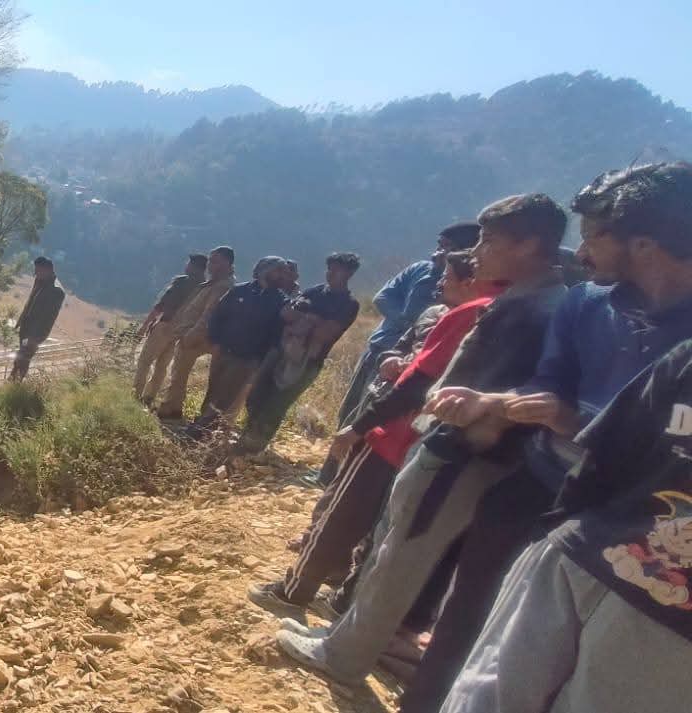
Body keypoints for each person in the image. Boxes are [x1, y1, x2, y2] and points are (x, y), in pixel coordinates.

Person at [399, 162, 692, 713]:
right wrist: (499, 403)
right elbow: (549, 380)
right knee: (473, 619)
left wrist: (569, 421)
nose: (582, 252)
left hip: (635, 535)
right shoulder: (586, 304)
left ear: (644, 243)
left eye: (594, 236)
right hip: (539, 488)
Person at [275, 193, 570, 686]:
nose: (476, 252)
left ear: (527, 245)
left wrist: (459, 417)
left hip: (458, 454)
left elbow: (472, 390)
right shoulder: (538, 301)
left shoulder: (530, 310)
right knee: (394, 551)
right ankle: (352, 639)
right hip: (466, 453)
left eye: (489, 241)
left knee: (399, 555)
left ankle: (343, 656)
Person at [438, 341, 692, 713]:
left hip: (668, 627)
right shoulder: (686, 358)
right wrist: (555, 539)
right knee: (484, 696)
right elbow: (605, 453)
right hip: (580, 562)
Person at [251, 251, 492, 618]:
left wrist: (361, 426)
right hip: (427, 444)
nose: (439, 282)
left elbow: (417, 383)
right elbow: (407, 349)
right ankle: (344, 595)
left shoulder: (467, 315)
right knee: (380, 524)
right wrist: (395, 358)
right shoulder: (497, 314)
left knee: (342, 511)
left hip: (393, 433)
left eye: (447, 276)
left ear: (469, 280)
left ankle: (293, 592)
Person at [306, 222, 484, 486]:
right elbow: (383, 297)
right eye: (439, 245)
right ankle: (329, 474)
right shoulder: (420, 271)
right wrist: (408, 322)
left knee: (373, 419)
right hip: (382, 349)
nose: (437, 253)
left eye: (447, 247)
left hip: (409, 370)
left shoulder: (464, 288)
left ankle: (344, 480)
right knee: (352, 409)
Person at [239, 253, 362, 452]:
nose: (330, 274)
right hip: (282, 350)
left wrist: (305, 319)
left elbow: (325, 334)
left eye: (336, 270)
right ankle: (247, 436)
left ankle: (254, 447)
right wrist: (313, 320)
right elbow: (285, 313)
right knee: (256, 395)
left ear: (349, 274)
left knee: (277, 403)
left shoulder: (349, 304)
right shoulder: (315, 291)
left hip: (308, 362)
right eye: (329, 269)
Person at [185, 256, 294, 432]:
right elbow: (217, 315)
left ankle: (201, 431)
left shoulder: (281, 302)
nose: (282, 275)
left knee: (226, 395)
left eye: (284, 272)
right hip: (223, 350)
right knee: (213, 390)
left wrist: (260, 360)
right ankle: (202, 425)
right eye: (278, 271)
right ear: (265, 270)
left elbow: (276, 335)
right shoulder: (240, 290)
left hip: (247, 359)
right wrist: (215, 342)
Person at [155, 246, 238, 419]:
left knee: (179, 375)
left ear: (228, 263)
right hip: (193, 334)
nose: (210, 265)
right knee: (178, 373)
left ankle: (171, 408)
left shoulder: (223, 286)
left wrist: (190, 336)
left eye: (215, 261)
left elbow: (209, 314)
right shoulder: (214, 282)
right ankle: (174, 407)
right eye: (210, 261)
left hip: (198, 337)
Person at [134, 254, 208, 403]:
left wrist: (145, 325)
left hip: (165, 327)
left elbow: (162, 305)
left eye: (189, 263)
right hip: (181, 333)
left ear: (195, 267)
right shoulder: (205, 288)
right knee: (162, 366)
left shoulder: (182, 283)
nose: (186, 266)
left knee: (145, 361)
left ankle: (136, 395)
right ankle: (149, 397)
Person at [10, 257, 66, 381]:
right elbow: (30, 301)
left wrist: (34, 338)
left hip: (35, 334)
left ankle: (14, 383)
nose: (35, 273)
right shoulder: (40, 280)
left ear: (48, 270)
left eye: (38, 270)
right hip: (26, 328)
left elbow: (48, 318)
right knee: (20, 357)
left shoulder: (56, 291)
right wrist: (20, 323)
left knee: (23, 359)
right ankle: (13, 383)